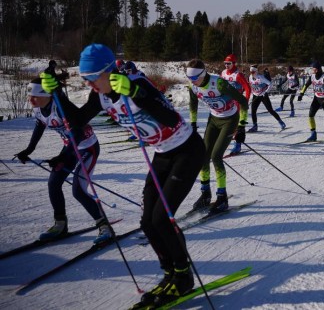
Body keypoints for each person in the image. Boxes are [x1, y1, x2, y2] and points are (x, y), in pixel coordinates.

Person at [40, 44, 204, 307]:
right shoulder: (101, 96)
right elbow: (78, 120)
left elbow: (170, 118)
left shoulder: (137, 83)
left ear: (107, 72)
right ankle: (170, 274)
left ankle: (183, 277)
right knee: (148, 223)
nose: (91, 85)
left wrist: (137, 92)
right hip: (163, 155)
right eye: (86, 80)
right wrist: (57, 93)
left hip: (187, 150)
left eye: (93, 79)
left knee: (162, 218)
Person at [13, 77, 108, 244]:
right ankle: (60, 224)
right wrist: (28, 150)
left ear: (47, 95)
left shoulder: (60, 108)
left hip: (87, 147)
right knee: (53, 183)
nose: (30, 99)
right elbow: (40, 125)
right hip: (70, 148)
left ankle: (104, 226)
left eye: (34, 96)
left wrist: (62, 157)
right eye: (29, 95)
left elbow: (78, 135)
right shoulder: (38, 109)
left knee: (78, 190)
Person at [187, 59, 249, 214]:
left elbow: (242, 101)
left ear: (203, 74)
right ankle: (205, 193)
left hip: (230, 119)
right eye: (190, 78)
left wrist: (241, 126)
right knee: (203, 156)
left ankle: (222, 198)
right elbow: (192, 103)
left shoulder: (219, 83)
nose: (193, 82)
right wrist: (193, 124)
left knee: (216, 156)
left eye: (195, 78)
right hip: (214, 119)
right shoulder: (193, 86)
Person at [297, 61, 324, 144]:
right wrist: (301, 93)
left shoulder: (323, 78)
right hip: (316, 99)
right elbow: (306, 85)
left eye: (312, 69)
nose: (311, 70)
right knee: (310, 116)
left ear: (316, 69)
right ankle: (313, 134)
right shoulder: (312, 76)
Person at [220, 54, 251, 155]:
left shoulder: (238, 75)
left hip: (237, 103)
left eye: (229, 63)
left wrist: (245, 100)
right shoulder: (223, 73)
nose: (226, 65)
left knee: (239, 124)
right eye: (225, 63)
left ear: (234, 64)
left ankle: (238, 145)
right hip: (226, 103)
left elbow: (247, 88)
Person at [247, 65, 286, 132]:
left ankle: (281, 122)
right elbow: (251, 85)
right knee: (253, 111)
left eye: (253, 72)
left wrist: (266, 92)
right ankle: (255, 126)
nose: (252, 73)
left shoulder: (261, 77)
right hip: (255, 95)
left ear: (256, 71)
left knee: (270, 110)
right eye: (251, 72)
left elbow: (270, 84)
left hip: (263, 95)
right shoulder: (250, 77)